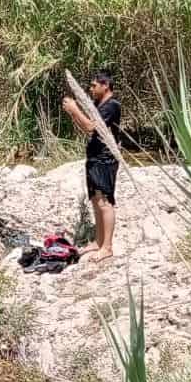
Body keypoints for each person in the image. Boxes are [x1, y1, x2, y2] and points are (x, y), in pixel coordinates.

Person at [62, 72, 121, 262]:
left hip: (105, 159)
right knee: (96, 200)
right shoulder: (98, 105)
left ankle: (107, 247)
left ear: (106, 86)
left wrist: (75, 109)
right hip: (94, 157)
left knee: (105, 201)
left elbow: (90, 127)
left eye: (94, 85)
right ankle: (98, 241)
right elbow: (87, 129)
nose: (91, 89)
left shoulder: (112, 106)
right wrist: (73, 113)